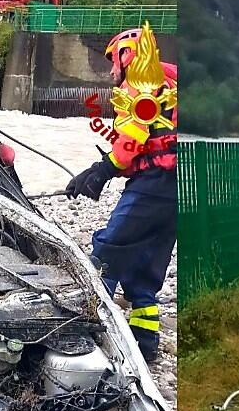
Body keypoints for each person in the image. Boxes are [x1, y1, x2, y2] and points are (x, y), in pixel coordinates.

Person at [65, 22, 177, 362]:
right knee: (146, 266)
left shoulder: (139, 85)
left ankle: (86, 334)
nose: (112, 69)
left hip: (153, 185)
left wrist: (100, 172)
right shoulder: (171, 82)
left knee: (108, 251)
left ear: (130, 57)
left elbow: (131, 143)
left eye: (114, 60)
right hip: (179, 187)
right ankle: (145, 344)